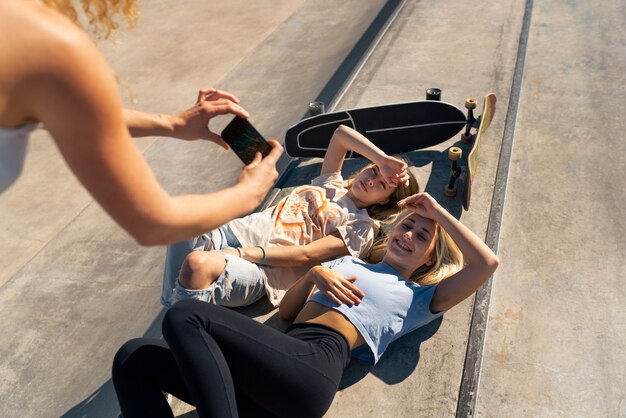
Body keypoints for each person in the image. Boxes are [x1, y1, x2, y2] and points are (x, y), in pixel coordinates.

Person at [112, 192, 499, 417]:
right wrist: (315, 275)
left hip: (312, 367)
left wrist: (437, 213)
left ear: (429, 259)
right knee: (134, 357)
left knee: (186, 315)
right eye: (407, 225)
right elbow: (286, 314)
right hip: (270, 366)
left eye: (422, 235)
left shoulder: (419, 299)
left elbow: (486, 264)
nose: (409, 234)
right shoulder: (347, 262)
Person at [0, 1, 283, 245]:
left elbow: (66, 112)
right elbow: (154, 223)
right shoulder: (47, 44)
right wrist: (248, 193)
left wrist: (171, 124)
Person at [161, 124, 420, 308]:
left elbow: (305, 255)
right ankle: (175, 305)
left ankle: (179, 326)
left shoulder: (363, 225)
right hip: (234, 232)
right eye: (374, 170)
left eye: (382, 184)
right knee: (179, 220)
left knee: (197, 264)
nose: (371, 180)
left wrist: (241, 254)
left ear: (386, 201)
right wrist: (382, 158)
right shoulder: (332, 183)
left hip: (261, 270)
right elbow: (341, 134)